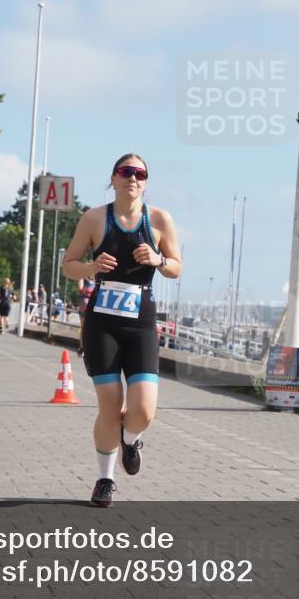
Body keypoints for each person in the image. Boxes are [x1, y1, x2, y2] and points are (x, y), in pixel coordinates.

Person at [62, 154, 182, 507]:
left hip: (140, 323)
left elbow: (176, 267)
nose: (133, 178)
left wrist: (159, 260)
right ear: (113, 178)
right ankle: (105, 479)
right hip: (103, 324)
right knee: (111, 404)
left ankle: (130, 441)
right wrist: (91, 267)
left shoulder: (159, 219)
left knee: (143, 410)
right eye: (126, 172)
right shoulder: (94, 218)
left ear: (146, 181)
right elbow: (68, 265)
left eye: (140, 173)